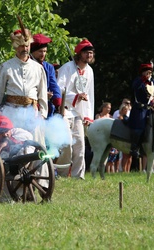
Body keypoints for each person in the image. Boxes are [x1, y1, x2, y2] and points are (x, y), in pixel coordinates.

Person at [0, 28, 48, 132]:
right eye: (22, 46)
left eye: (27, 46)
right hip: (11, 112)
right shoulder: (6, 67)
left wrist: (43, 114)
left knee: (31, 145)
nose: (25, 48)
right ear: (16, 47)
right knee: (12, 144)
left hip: (32, 113)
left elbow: (42, 93)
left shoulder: (38, 68)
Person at [56, 39, 95, 179]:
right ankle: (61, 173)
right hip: (65, 111)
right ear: (79, 54)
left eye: (91, 53)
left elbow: (90, 94)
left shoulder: (90, 71)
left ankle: (79, 176)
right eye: (86, 53)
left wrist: (88, 115)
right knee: (66, 145)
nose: (89, 55)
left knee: (80, 146)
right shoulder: (67, 68)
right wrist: (76, 96)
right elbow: (59, 89)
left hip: (78, 113)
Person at [128, 63, 154, 159]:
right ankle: (134, 147)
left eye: (150, 71)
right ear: (142, 72)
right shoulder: (138, 81)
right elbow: (135, 88)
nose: (149, 73)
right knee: (140, 127)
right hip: (140, 109)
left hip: (150, 109)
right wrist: (144, 80)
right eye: (147, 71)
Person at [30, 33, 62, 118]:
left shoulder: (48, 67)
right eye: (40, 51)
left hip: (46, 107)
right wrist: (42, 94)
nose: (43, 54)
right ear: (33, 51)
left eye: (45, 51)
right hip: (30, 106)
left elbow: (53, 85)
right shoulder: (27, 65)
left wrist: (58, 103)